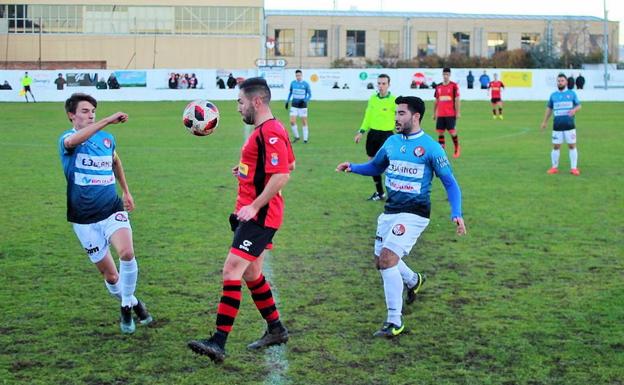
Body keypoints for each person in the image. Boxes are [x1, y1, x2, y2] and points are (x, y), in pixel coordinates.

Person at [336, 96, 466, 338]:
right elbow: (376, 167)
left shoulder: (431, 148)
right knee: (380, 262)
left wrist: (456, 213)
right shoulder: (392, 142)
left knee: (387, 260)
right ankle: (414, 280)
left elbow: (450, 182)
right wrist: (353, 166)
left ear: (416, 117)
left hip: (415, 213)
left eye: (401, 113)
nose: (396, 117)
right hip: (390, 212)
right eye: (396, 113)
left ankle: (394, 321)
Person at [188, 77, 295, 363]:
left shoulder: (269, 131)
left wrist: (255, 204)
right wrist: (248, 170)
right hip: (253, 213)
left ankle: (218, 342)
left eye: (240, 102)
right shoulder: (268, 130)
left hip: (260, 216)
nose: (238, 108)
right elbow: (289, 163)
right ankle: (276, 329)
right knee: (251, 274)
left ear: (256, 101)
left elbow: (283, 174)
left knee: (231, 271)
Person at [58, 93, 153, 334]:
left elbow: (115, 163)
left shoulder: (107, 140)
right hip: (83, 218)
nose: (90, 115)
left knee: (127, 252)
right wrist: (108, 120)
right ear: (71, 115)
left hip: (111, 208)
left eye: (93, 111)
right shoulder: (67, 140)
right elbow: (74, 141)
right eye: (85, 111)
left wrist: (126, 192)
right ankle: (134, 303)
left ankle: (125, 305)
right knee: (111, 276)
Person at [354, 74, 396, 201]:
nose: (381, 86)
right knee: (372, 163)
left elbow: (400, 117)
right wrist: (361, 132)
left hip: (387, 136)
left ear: (389, 85)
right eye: (379, 83)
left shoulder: (394, 100)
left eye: (384, 83)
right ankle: (380, 193)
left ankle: (393, 195)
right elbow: (368, 117)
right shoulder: (372, 99)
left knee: (389, 166)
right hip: (373, 135)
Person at [540, 73, 582, 176]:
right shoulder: (553, 95)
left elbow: (579, 105)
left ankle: (574, 168)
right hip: (557, 126)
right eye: (558, 81)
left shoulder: (572, 94)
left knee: (572, 146)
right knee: (556, 146)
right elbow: (549, 109)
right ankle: (554, 168)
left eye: (562, 80)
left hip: (569, 125)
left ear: (566, 82)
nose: (560, 82)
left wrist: (574, 110)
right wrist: (544, 122)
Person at [433, 68, 461, 158]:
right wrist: (434, 113)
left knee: (452, 132)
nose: (445, 76)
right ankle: (442, 151)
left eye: (447, 74)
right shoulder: (438, 87)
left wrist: (458, 112)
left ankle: (457, 148)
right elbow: (436, 100)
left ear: (449, 75)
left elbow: (457, 100)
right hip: (441, 114)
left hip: (450, 114)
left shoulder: (454, 86)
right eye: (444, 74)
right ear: (442, 75)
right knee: (440, 133)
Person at [285, 69, 312, 143]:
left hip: (302, 106)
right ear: (295, 76)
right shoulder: (293, 83)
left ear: (301, 75)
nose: (298, 77)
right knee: (292, 121)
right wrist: (287, 101)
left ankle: (305, 139)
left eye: (299, 75)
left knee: (304, 122)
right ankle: (297, 137)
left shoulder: (306, 84)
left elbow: (310, 95)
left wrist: (305, 100)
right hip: (294, 105)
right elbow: (290, 93)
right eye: (297, 75)